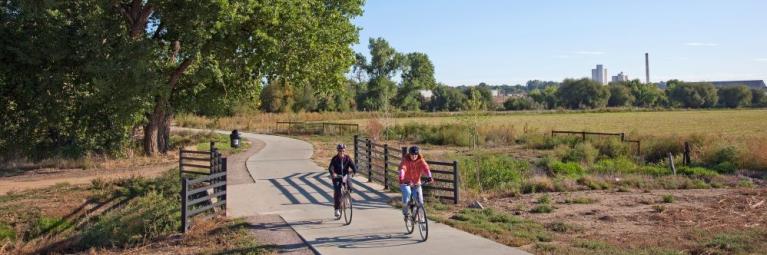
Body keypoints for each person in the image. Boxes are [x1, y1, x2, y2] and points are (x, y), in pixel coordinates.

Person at [398, 146, 433, 220]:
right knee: (407, 193)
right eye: (412, 155)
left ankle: (421, 218)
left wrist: (429, 176)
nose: (414, 156)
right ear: (409, 154)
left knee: (420, 200)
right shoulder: (405, 160)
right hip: (405, 182)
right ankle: (406, 212)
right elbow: (403, 168)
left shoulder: (420, 160)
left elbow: (426, 168)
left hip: (416, 183)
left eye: (415, 155)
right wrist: (401, 176)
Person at [328, 144, 357, 218]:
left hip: (345, 176)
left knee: (350, 186)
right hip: (337, 177)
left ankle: (347, 197)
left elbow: (353, 166)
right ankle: (337, 209)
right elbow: (331, 168)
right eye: (340, 151)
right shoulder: (334, 159)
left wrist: (354, 171)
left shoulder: (347, 158)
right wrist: (333, 173)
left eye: (343, 151)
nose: (341, 152)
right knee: (337, 191)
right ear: (338, 151)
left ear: (345, 151)